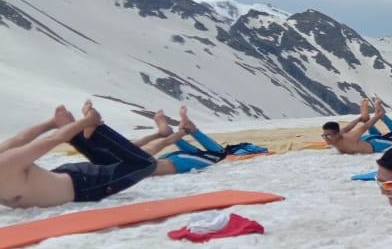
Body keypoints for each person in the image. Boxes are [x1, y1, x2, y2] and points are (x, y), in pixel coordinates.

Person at [0, 101, 157, 208]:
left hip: (84, 185)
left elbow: (54, 139)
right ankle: (90, 132)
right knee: (114, 162)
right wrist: (51, 123)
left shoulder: (7, 162)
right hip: (63, 180)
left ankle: (97, 130)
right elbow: (17, 140)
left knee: (146, 164)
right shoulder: (6, 160)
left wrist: (89, 120)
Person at [133, 106, 226, 176]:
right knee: (216, 154)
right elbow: (136, 145)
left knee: (219, 155)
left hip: (174, 162)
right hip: (172, 160)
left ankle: (187, 129)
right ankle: (169, 132)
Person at [321, 97, 392, 154]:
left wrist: (379, 115)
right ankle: (366, 117)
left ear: (337, 134)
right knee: (376, 134)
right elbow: (348, 127)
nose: (326, 138)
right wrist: (360, 119)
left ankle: (379, 110)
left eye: (328, 136)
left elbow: (365, 126)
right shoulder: (339, 134)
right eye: (324, 136)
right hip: (364, 141)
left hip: (374, 144)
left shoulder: (350, 137)